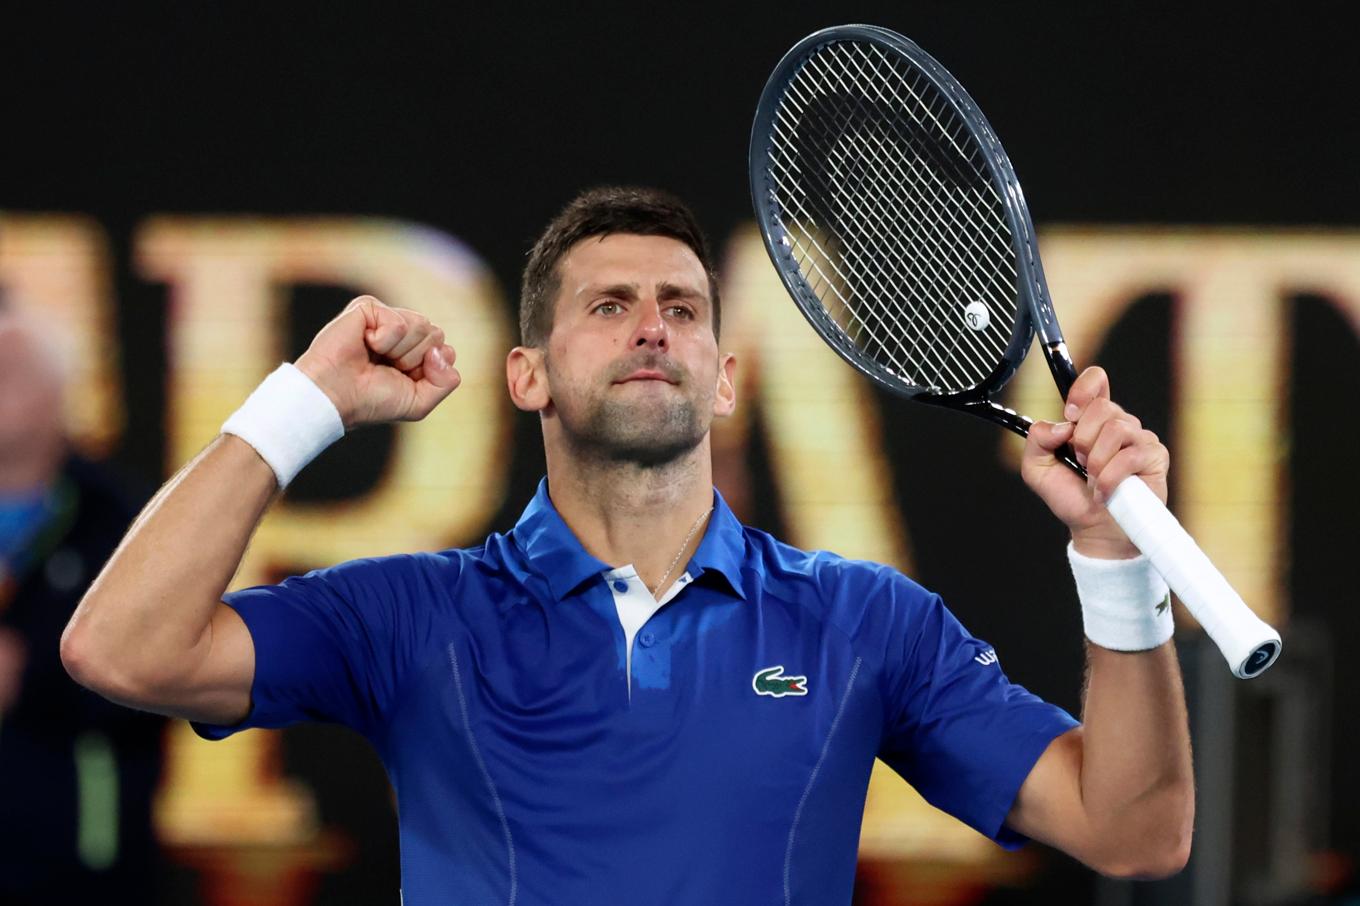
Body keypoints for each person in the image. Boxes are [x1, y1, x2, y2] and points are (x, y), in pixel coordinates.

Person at [62, 187, 1193, 905]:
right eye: (607, 306)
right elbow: (122, 650)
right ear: (528, 376)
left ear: (724, 378)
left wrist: (1113, 557)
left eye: (684, 309)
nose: (654, 325)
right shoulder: (411, 614)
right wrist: (304, 402)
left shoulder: (867, 621)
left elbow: (1134, 832)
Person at [0, 306, 165, 906]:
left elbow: (160, 666)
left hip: (78, 861)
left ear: (59, 392)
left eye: (10, 369)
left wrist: (35, 672)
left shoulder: (122, 518)